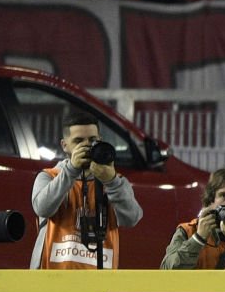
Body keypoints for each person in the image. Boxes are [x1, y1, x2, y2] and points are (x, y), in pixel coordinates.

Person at [29, 113, 142, 269]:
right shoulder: (48, 176)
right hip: (52, 279)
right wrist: (71, 171)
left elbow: (132, 219)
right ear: (64, 145)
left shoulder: (115, 182)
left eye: (92, 140)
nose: (86, 146)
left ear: (100, 140)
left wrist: (111, 181)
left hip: (99, 282)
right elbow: (42, 208)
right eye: (78, 141)